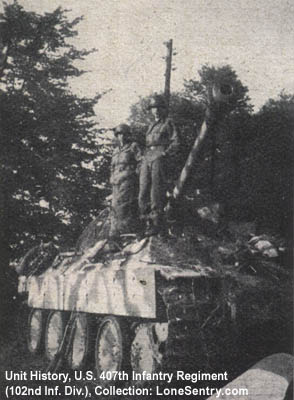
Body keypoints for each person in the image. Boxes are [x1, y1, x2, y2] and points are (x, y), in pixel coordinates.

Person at [139, 94, 179, 236]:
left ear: (163, 109)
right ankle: (145, 222)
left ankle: (156, 223)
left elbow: (176, 142)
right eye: (153, 108)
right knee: (143, 190)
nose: (155, 111)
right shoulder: (150, 126)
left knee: (156, 190)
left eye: (158, 108)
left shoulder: (168, 123)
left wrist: (165, 154)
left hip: (159, 155)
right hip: (147, 156)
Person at [109, 123, 142, 238]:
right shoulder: (115, 151)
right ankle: (117, 234)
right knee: (114, 207)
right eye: (118, 134)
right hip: (116, 181)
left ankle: (129, 232)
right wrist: (112, 177)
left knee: (125, 206)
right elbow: (112, 167)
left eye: (123, 134)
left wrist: (134, 174)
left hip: (128, 180)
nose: (121, 137)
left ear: (128, 135)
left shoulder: (133, 146)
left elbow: (140, 162)